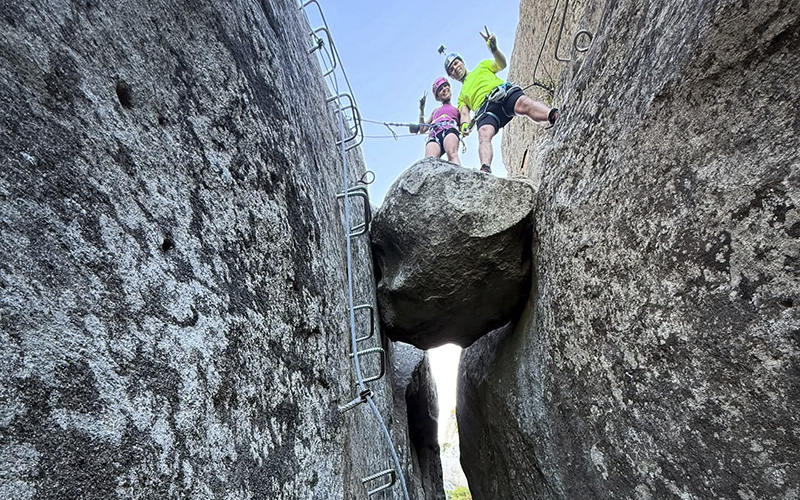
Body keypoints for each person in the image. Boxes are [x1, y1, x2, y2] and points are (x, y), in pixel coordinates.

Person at [445, 26, 558, 174]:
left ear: (462, 62)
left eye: (456, 63)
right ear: (452, 77)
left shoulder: (482, 66)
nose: (456, 68)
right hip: (485, 110)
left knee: (525, 104)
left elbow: (501, 64)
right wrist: (465, 126)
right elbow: (464, 114)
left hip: (502, 93)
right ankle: (485, 167)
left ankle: (553, 115)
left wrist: (494, 49)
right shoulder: (461, 96)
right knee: (484, 134)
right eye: (452, 70)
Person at [412, 77, 462, 165]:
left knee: (452, 154)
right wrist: (421, 110)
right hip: (434, 134)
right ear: (438, 96)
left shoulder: (457, 110)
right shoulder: (435, 111)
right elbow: (422, 129)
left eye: (445, 86)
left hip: (449, 130)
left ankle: (460, 177)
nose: (444, 89)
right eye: (440, 89)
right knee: (429, 162)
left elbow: (463, 126)